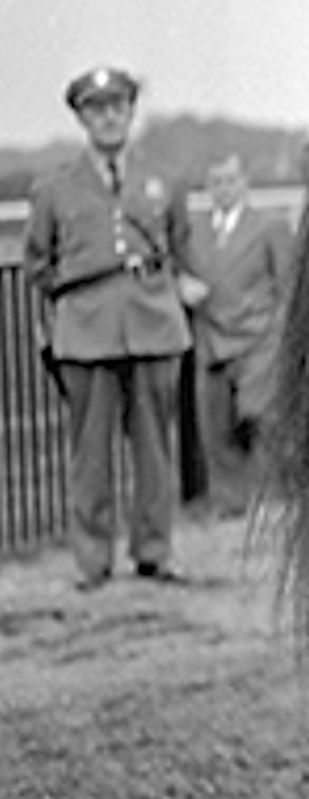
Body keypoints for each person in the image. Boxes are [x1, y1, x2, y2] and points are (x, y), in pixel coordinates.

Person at [23, 67, 196, 587]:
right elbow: (37, 264)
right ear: (81, 118)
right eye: (96, 109)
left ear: (131, 112)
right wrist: (81, 298)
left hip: (154, 326)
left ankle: (155, 552)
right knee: (90, 453)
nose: (108, 118)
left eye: (117, 107)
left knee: (155, 449)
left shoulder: (162, 179)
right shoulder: (54, 188)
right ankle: (92, 562)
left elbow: (181, 248)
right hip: (87, 334)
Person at [184, 154, 296, 517]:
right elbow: (175, 271)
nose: (223, 188)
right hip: (212, 340)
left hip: (259, 339)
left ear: (245, 183)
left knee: (263, 421)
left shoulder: (270, 226)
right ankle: (229, 502)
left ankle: (274, 500)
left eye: (230, 180)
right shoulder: (194, 231)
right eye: (216, 181)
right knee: (217, 428)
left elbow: (288, 287)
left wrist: (277, 338)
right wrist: (182, 286)